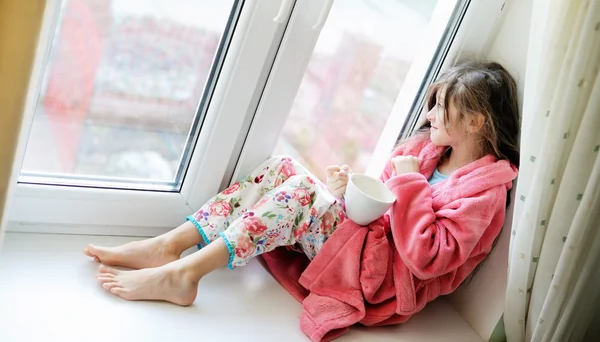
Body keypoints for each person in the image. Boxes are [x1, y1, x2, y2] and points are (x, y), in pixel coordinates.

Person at [85, 61, 520, 314]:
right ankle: (170, 245)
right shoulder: (424, 153)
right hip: (365, 244)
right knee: (283, 167)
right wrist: (348, 192)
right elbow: (383, 208)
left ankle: (185, 275)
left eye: (443, 109)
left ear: (477, 122)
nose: (431, 117)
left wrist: (406, 183)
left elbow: (428, 258)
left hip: (380, 278)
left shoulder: (484, 195)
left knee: (301, 196)